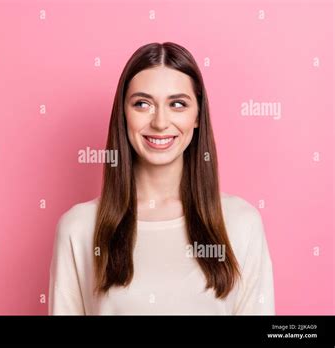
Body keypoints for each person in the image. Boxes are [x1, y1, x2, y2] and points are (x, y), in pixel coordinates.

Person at [48, 42, 275, 315]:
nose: (160, 122)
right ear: (123, 114)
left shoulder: (241, 223)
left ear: (197, 116)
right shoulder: (79, 228)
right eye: (142, 104)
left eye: (177, 104)